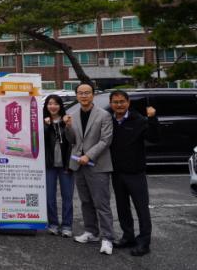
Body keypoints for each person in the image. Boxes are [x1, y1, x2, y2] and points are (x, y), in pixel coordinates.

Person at [63, 82, 115, 255]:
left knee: (101, 203)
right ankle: (91, 232)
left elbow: (105, 140)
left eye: (87, 92)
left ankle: (107, 238)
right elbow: (72, 140)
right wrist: (68, 127)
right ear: (76, 95)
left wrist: (89, 155)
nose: (84, 96)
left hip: (98, 164)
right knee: (85, 201)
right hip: (78, 163)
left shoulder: (104, 115)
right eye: (80, 93)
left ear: (93, 94)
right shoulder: (72, 115)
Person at [108, 90, 160, 257]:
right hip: (117, 173)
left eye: (122, 101)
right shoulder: (109, 121)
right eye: (115, 102)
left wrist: (152, 118)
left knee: (141, 209)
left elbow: (154, 138)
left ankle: (144, 242)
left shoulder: (138, 120)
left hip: (136, 172)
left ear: (128, 102)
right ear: (111, 104)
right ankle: (128, 236)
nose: (119, 105)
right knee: (122, 208)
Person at [43, 94, 75, 238]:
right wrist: (46, 126)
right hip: (49, 164)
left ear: (61, 106)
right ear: (46, 106)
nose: (53, 106)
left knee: (67, 196)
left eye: (56, 103)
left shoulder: (67, 119)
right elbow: (38, 141)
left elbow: (74, 140)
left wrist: (68, 126)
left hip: (65, 164)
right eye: (50, 103)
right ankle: (53, 224)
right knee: (49, 197)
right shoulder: (42, 121)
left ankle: (67, 225)